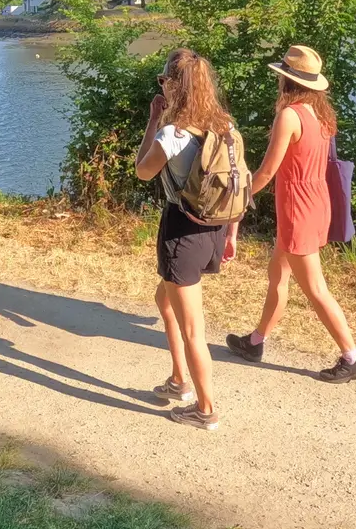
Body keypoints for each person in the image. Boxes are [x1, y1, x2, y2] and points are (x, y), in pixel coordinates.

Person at [224, 45, 356, 383]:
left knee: (315, 288)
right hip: (317, 203)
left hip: (297, 209)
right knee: (278, 274)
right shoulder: (322, 115)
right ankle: (255, 341)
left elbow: (267, 170)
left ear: (286, 82)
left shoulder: (289, 116)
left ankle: (352, 356)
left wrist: (239, 196)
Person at [134, 47, 236, 429]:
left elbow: (143, 172)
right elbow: (236, 182)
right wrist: (232, 234)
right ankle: (178, 380)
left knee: (193, 326)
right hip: (215, 226)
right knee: (165, 299)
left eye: (164, 81)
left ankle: (205, 408)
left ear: (174, 87)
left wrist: (153, 121)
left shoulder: (172, 134)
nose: (161, 86)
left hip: (182, 229)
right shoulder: (224, 125)